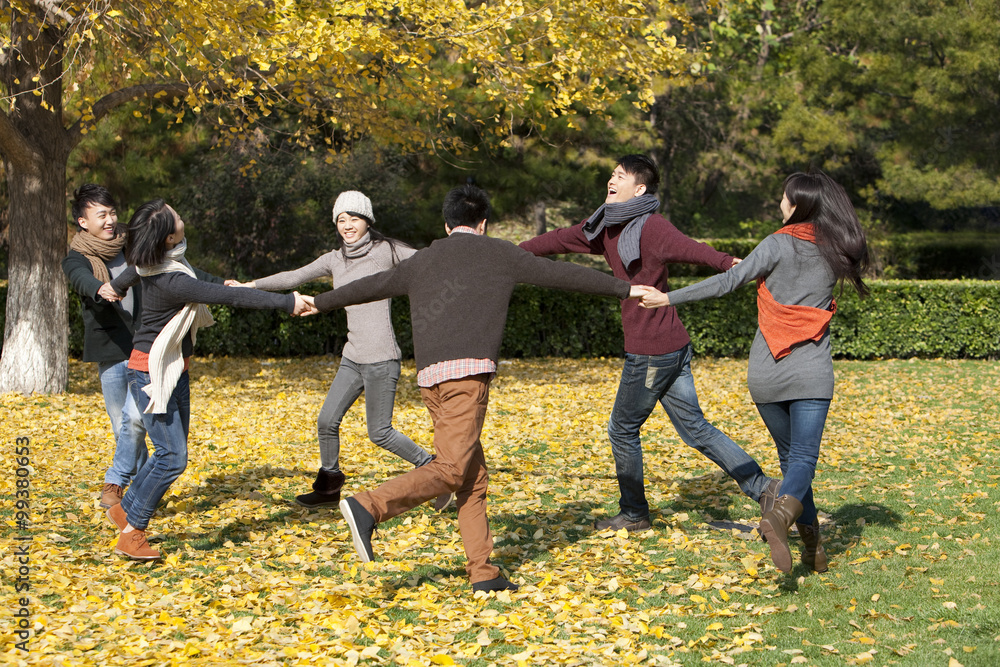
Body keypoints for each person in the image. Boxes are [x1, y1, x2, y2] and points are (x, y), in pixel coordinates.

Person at [302, 184, 646, 593]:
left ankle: (483, 573)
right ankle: (368, 507)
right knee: (450, 469)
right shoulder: (500, 253)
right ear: (482, 223)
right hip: (467, 381)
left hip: (431, 382)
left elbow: (368, 286)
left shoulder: (423, 260)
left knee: (471, 477)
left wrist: (320, 302)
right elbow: (561, 274)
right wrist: (625, 288)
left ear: (447, 224)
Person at [520, 155, 779, 533]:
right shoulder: (602, 227)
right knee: (696, 428)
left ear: (639, 189)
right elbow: (559, 238)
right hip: (670, 345)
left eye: (620, 176)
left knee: (622, 428)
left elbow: (694, 249)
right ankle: (765, 489)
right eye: (611, 174)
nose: (611, 180)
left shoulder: (652, 228)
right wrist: (514, 252)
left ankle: (634, 513)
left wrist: (731, 264)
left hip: (653, 350)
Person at [638, 172, 869, 572]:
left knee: (791, 458)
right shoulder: (837, 249)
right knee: (803, 459)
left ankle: (811, 546)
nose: (779, 204)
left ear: (797, 204)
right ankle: (781, 519)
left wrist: (668, 297)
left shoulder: (776, 244)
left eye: (783, 198)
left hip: (767, 371)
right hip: (812, 370)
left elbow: (728, 282)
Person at [106, 199, 311, 560]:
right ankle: (132, 532)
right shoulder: (173, 280)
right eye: (178, 216)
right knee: (172, 458)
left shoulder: (158, 262)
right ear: (170, 236)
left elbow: (135, 272)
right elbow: (230, 298)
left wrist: (118, 286)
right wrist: (286, 302)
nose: (182, 217)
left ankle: (126, 508)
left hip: (174, 369)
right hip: (152, 373)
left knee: (169, 450)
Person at [238, 191, 448, 510]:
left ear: (368, 220)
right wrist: (250, 286)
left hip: (381, 359)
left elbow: (430, 262)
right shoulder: (334, 259)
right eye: (341, 219)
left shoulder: (386, 251)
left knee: (379, 433)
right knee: (326, 421)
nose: (347, 225)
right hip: (353, 358)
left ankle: (435, 472)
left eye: (354, 218)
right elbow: (294, 276)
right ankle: (328, 488)